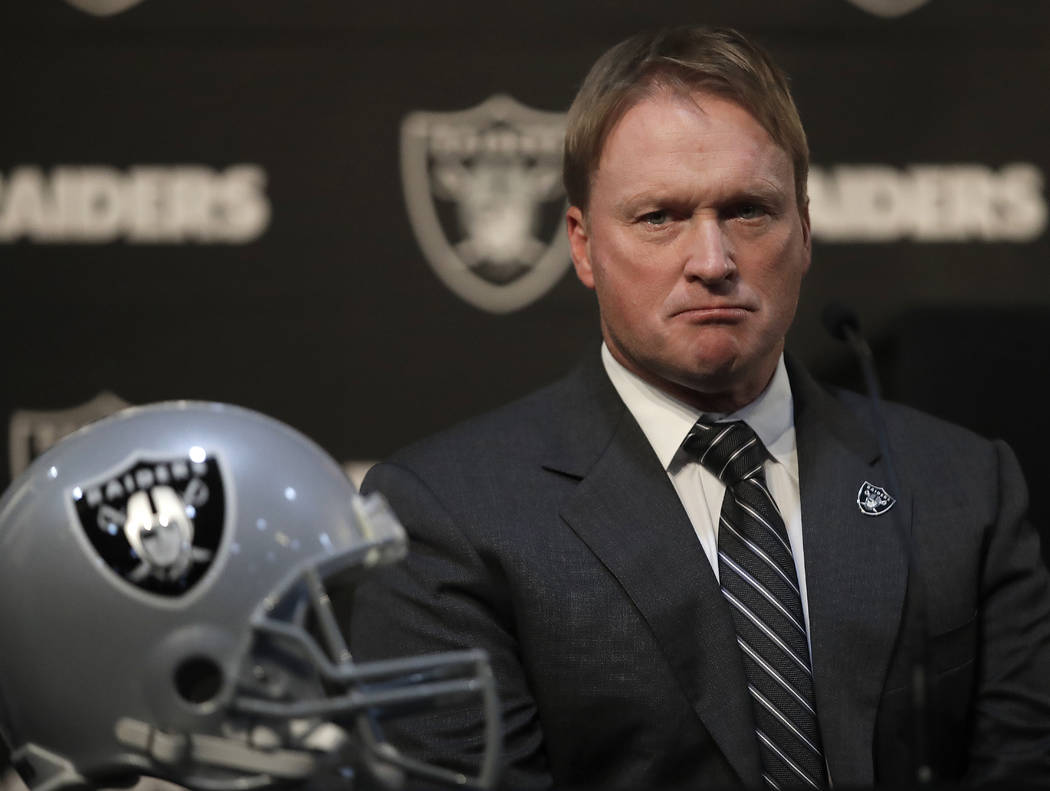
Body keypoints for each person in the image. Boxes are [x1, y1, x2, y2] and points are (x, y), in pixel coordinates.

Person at [346, 26, 1050, 789]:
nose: (712, 261)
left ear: (805, 231)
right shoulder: (447, 515)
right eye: (660, 217)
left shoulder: (962, 486)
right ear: (582, 245)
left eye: (749, 210)